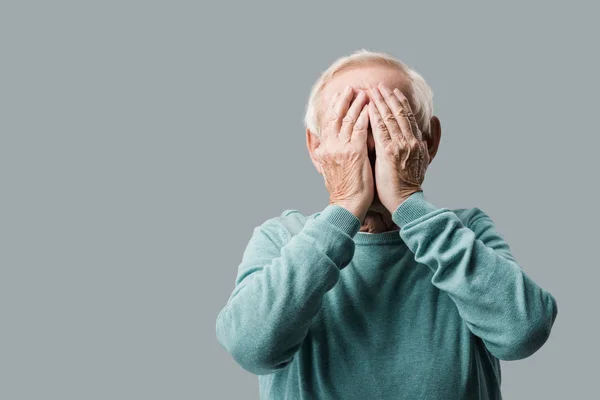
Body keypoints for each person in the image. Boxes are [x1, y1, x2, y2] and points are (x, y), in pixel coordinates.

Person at [215, 49, 558, 399]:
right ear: (316, 148)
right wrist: (345, 205)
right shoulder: (281, 238)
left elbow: (524, 332)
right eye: (349, 135)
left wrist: (408, 202)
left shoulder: (465, 232)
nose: (370, 153)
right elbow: (251, 349)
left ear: (428, 142)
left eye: (389, 132)